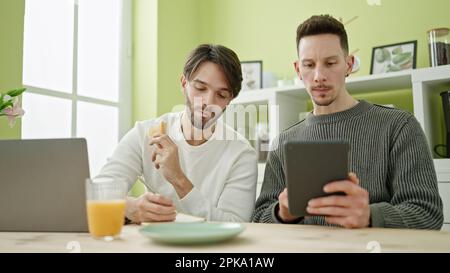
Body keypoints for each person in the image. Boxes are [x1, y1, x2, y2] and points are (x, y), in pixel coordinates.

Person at [252, 15, 443, 229]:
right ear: (298, 70)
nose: (318, 76)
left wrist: (370, 216)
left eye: (330, 63)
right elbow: (259, 219)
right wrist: (282, 213)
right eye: (309, 65)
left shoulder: (399, 126)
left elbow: (427, 213)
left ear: (349, 64)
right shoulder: (283, 143)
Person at [96, 44, 257, 223]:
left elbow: (235, 223)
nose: (208, 102)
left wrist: (178, 178)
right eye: (200, 88)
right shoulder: (145, 134)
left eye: (221, 94)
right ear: (184, 84)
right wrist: (130, 208)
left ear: (230, 100)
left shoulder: (241, 154)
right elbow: (99, 191)